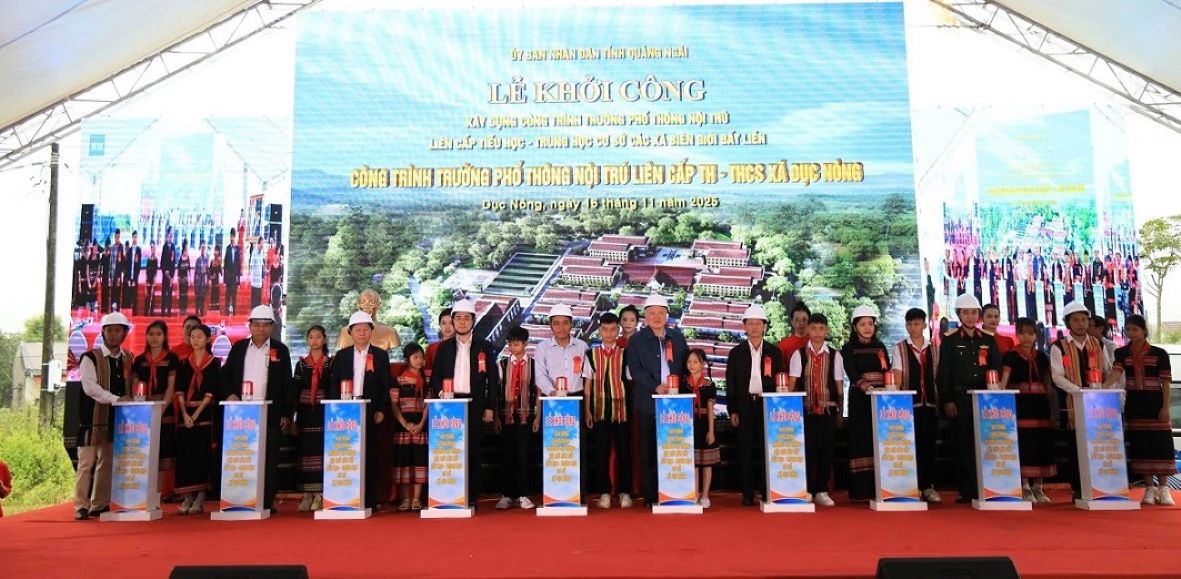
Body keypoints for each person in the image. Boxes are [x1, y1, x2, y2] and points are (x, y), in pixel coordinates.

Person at [220, 305, 293, 511]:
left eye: (265, 325)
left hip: (270, 412)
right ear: (250, 326)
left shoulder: (281, 350)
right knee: (241, 456)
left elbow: (287, 383)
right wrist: (229, 394)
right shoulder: (239, 348)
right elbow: (225, 375)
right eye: (257, 325)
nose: (261, 329)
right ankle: (240, 499)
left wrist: (287, 413)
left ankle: (265, 502)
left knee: (269, 459)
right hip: (241, 415)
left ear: (272, 327)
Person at [430, 299, 499, 508]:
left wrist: (489, 407)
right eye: (457, 318)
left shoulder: (484, 346)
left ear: (473, 321)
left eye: (466, 318)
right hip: (450, 405)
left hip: (474, 403)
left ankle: (470, 495)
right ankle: (449, 492)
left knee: (473, 450)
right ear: (452, 321)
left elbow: (493, 379)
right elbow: (436, 377)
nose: (461, 322)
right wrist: (443, 395)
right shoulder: (443, 348)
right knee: (450, 449)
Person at [1105, 315, 1175, 506]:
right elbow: (1116, 374)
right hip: (1135, 403)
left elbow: (1166, 383)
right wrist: (1099, 388)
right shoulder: (1121, 353)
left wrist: (1166, 407)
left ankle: (1164, 488)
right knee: (1141, 445)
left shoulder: (1160, 353)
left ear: (1144, 330)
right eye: (1128, 329)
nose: (1131, 333)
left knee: (1161, 445)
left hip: (1156, 403)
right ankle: (1149, 488)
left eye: (1135, 329)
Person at [625, 294, 687, 506]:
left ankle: (675, 492)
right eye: (652, 313)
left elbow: (687, 364)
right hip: (647, 402)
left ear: (667, 315)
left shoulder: (677, 337)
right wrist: (655, 386)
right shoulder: (637, 340)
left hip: (675, 404)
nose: (657, 316)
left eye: (661, 313)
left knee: (674, 448)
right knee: (648, 449)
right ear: (645, 316)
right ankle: (651, 496)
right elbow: (635, 370)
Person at [938, 294, 1001, 503]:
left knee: (986, 443)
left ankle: (988, 486)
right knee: (963, 444)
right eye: (966, 312)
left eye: (974, 312)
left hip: (985, 399)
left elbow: (996, 368)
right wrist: (947, 400)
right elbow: (943, 373)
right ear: (959, 314)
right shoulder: (950, 339)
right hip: (960, 398)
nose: (971, 317)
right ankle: (967, 490)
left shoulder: (988, 339)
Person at [328, 311, 392, 510]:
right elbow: (333, 384)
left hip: (370, 411)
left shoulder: (380, 356)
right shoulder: (341, 356)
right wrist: (334, 408)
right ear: (350, 332)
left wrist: (381, 409)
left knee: (369, 456)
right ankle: (345, 497)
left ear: (371, 331)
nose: (362, 333)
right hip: (345, 413)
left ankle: (369, 501)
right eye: (357, 330)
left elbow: (385, 386)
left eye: (366, 329)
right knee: (345, 455)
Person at [1050, 301, 1113, 498]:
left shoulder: (1098, 344)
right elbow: (1057, 376)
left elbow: (1108, 371)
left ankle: (1100, 486)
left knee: (1098, 445)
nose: (1081, 323)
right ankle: (1078, 488)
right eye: (1076, 320)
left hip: (1098, 406)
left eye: (1084, 319)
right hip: (1073, 405)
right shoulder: (1058, 346)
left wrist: (1101, 389)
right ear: (1068, 322)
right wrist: (1078, 391)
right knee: (1075, 448)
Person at [75, 312, 133, 520]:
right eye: (110, 330)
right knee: (85, 464)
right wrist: (116, 399)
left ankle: (98, 504)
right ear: (103, 333)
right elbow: (90, 388)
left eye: (118, 330)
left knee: (107, 463)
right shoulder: (90, 357)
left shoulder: (128, 358)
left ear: (125, 333)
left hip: (116, 420)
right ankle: (81, 505)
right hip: (91, 419)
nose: (114, 335)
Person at [726, 304, 782, 506]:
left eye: (759, 323)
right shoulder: (736, 353)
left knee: (767, 449)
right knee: (745, 450)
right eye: (751, 323)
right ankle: (747, 494)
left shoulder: (774, 352)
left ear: (764, 326)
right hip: (744, 406)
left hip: (767, 405)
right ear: (745, 327)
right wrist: (732, 409)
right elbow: (730, 383)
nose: (755, 327)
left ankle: (768, 491)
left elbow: (779, 382)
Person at [788, 313, 844, 506]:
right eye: (813, 328)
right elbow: (792, 384)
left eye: (821, 329)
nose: (817, 333)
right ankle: (808, 489)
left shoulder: (835, 355)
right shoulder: (799, 354)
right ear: (808, 330)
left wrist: (840, 412)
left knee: (827, 451)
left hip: (829, 410)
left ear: (826, 331)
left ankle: (822, 489)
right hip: (806, 410)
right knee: (808, 451)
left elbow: (838, 386)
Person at [1000, 317, 1056, 504]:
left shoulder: (1042, 357)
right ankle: (1024, 486)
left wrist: (1052, 407)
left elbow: (1048, 383)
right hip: (1020, 405)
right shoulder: (1009, 356)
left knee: (1041, 444)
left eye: (1031, 333)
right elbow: (1003, 383)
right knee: (1024, 445)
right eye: (1022, 333)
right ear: (1017, 334)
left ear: (1036, 335)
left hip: (1040, 405)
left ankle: (1038, 487)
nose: (1027, 337)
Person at [891, 308, 941, 503]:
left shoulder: (934, 349)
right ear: (906, 326)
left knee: (928, 446)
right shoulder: (900, 348)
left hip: (929, 404)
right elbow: (896, 374)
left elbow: (937, 376)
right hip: (907, 407)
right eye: (910, 324)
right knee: (910, 446)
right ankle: (911, 486)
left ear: (924, 324)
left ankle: (928, 486)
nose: (914, 327)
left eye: (917, 323)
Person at [842, 304, 891, 502]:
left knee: (879, 441)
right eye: (862, 324)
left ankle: (881, 487)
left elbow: (886, 369)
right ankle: (861, 490)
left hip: (881, 401)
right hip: (861, 400)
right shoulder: (849, 348)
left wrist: (887, 390)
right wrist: (868, 389)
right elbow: (852, 374)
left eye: (870, 323)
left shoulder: (880, 346)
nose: (867, 328)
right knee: (861, 441)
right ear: (855, 327)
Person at [585, 313, 632, 509]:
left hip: (621, 411)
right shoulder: (591, 354)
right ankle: (604, 492)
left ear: (618, 330)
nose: (609, 333)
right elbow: (587, 385)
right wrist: (587, 410)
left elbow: (629, 382)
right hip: (599, 411)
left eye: (613, 329)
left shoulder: (626, 353)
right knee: (601, 452)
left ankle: (624, 492)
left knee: (624, 451)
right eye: (605, 329)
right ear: (599, 331)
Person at [173, 324, 219, 514]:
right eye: (193, 336)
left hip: (204, 414)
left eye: (200, 337)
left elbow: (211, 391)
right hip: (186, 416)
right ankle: (187, 497)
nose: (196, 340)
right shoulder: (184, 363)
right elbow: (180, 390)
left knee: (201, 455)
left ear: (208, 339)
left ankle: (200, 497)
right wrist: (184, 413)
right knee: (185, 455)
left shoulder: (214, 362)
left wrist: (196, 413)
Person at [131, 320, 179, 500]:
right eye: (151, 334)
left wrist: (160, 408)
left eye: (158, 334)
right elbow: (135, 384)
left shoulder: (171, 358)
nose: (154, 338)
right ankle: (141, 495)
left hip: (163, 410)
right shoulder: (140, 359)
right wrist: (140, 407)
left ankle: (156, 496)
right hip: (142, 410)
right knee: (143, 452)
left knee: (162, 454)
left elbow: (171, 386)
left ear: (165, 336)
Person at [494, 327, 537, 510]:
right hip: (507, 416)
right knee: (507, 455)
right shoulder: (501, 365)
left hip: (526, 416)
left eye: (517, 344)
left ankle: (523, 494)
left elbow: (538, 390)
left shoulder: (534, 364)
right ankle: (506, 494)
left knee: (523, 455)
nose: (513, 347)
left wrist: (537, 417)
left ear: (525, 344)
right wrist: (496, 417)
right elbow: (496, 393)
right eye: (510, 344)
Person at [293, 325, 332, 512]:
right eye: (311, 337)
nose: (314, 340)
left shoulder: (330, 363)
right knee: (305, 450)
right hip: (305, 412)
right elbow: (295, 390)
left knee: (322, 450)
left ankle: (321, 493)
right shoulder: (301, 364)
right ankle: (307, 493)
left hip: (324, 411)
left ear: (324, 340)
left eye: (318, 337)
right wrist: (292, 415)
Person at [392, 343, 430, 511]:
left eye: (421, 357)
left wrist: (421, 424)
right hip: (403, 427)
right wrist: (405, 423)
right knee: (404, 462)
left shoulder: (428, 379)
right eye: (415, 357)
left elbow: (429, 404)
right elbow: (394, 405)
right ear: (407, 359)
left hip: (421, 425)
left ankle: (416, 499)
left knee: (420, 461)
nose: (419, 360)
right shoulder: (398, 380)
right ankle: (405, 499)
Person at [681, 348, 718, 508]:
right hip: (689, 424)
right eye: (689, 362)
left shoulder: (709, 385)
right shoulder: (683, 384)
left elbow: (710, 409)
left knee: (706, 463)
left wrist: (711, 430)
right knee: (693, 462)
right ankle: (694, 493)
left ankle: (705, 495)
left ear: (703, 364)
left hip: (704, 423)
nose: (692, 365)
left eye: (695, 361)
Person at [424, 307, 453, 381]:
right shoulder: (432, 348)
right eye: (443, 323)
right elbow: (427, 372)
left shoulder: (463, 347)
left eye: (451, 323)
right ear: (439, 325)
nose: (447, 327)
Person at [223, 228, 241, 315]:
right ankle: (226, 312)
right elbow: (225, 265)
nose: (232, 238)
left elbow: (239, 265)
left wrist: (239, 281)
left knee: (234, 296)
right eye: (230, 236)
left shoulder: (238, 249)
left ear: (235, 237)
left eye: (233, 236)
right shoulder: (227, 248)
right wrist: (224, 280)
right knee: (227, 296)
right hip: (228, 277)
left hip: (234, 277)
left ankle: (234, 313)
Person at [160, 227, 176, 316]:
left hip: (171, 275)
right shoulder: (164, 247)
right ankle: (163, 311)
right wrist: (165, 271)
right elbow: (162, 261)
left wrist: (172, 276)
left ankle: (169, 312)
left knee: (169, 294)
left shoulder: (173, 246)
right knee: (164, 293)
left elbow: (174, 262)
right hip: (165, 274)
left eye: (171, 236)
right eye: (168, 236)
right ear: (167, 237)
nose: (170, 238)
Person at [194, 242, 209, 317]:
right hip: (198, 280)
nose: (203, 250)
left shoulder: (206, 260)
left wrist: (207, 280)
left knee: (202, 296)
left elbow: (207, 271)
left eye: (204, 249)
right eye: (202, 249)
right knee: (198, 297)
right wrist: (195, 281)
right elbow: (196, 271)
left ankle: (202, 311)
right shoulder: (198, 260)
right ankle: (197, 311)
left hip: (204, 280)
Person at [144, 242, 159, 316]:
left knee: (152, 296)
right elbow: (147, 271)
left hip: (153, 280)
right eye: (152, 249)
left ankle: (151, 312)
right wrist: (146, 281)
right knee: (147, 296)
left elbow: (155, 271)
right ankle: (146, 312)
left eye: (154, 249)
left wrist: (154, 280)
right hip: (148, 279)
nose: (153, 251)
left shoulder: (156, 260)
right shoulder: (148, 260)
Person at [178, 240, 191, 314]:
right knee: (181, 295)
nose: (187, 252)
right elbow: (179, 272)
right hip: (181, 280)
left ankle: (185, 310)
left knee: (185, 295)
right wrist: (178, 280)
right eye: (186, 250)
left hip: (186, 280)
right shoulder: (180, 259)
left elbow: (189, 270)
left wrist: (190, 279)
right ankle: (181, 310)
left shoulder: (188, 258)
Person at [208, 245, 222, 315]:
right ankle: (212, 306)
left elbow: (221, 272)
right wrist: (211, 276)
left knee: (216, 293)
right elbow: (209, 271)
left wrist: (220, 263)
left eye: (217, 251)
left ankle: (216, 307)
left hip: (217, 281)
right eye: (215, 251)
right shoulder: (211, 261)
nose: (216, 252)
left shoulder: (219, 261)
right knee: (212, 293)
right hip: (213, 281)